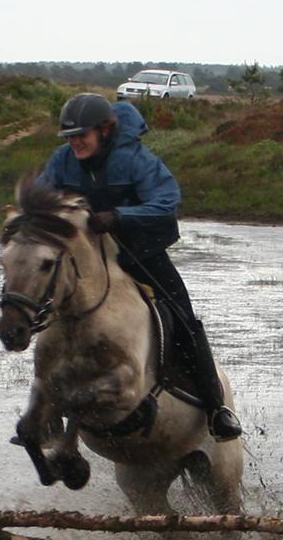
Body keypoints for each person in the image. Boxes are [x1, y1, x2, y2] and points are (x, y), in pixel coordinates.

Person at [38, 92, 242, 442]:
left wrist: (119, 216)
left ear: (104, 131)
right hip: (90, 262)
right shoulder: (62, 159)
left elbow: (167, 201)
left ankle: (216, 409)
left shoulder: (136, 159)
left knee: (184, 320)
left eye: (81, 135)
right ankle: (47, 411)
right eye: (70, 137)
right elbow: (42, 197)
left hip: (141, 256)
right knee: (47, 310)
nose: (75, 143)